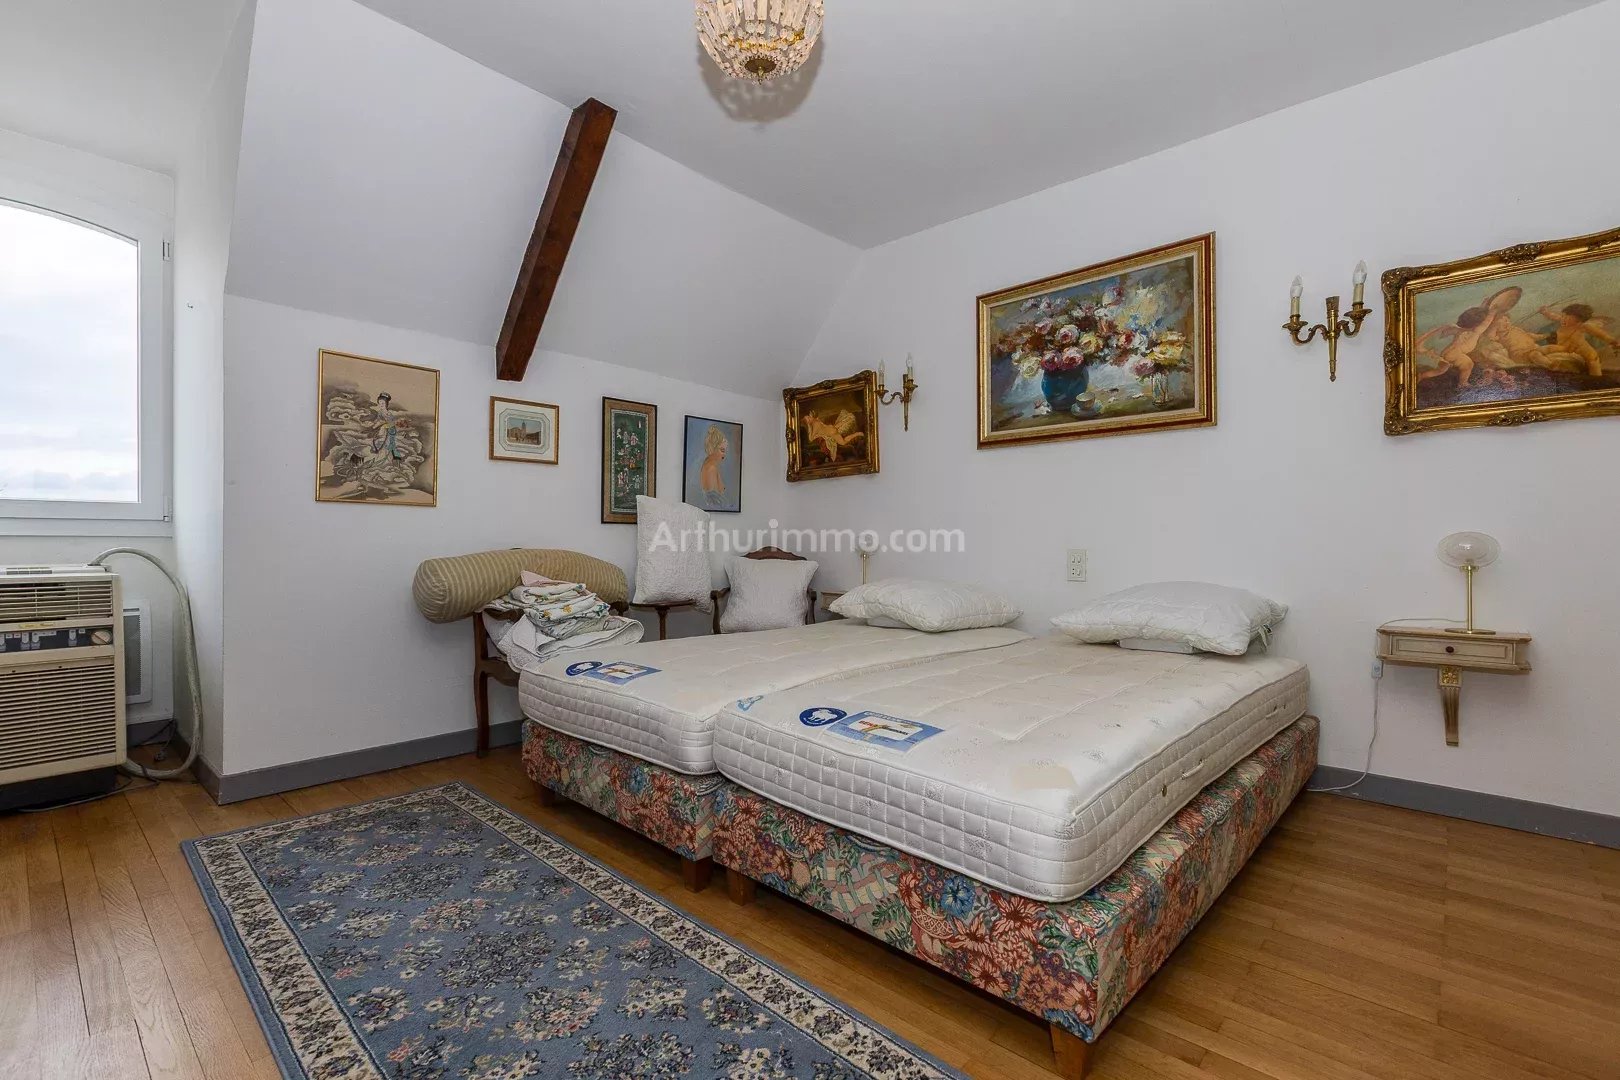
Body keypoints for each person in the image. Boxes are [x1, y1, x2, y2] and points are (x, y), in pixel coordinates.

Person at [1536, 303, 1617, 377]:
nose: (1563, 319)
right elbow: (1552, 316)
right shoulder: (1563, 321)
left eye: (1568, 319)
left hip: (1582, 350)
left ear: (1579, 321)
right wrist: (1545, 312)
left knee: (1593, 361)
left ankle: (1596, 380)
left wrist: (1612, 341)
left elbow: (1600, 334)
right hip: (1565, 348)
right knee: (1545, 350)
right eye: (1563, 316)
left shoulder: (1583, 326)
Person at [699, 424, 729, 505]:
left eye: (725, 451)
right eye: (722, 450)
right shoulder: (711, 468)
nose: (724, 455)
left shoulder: (708, 464)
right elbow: (715, 501)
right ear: (713, 448)